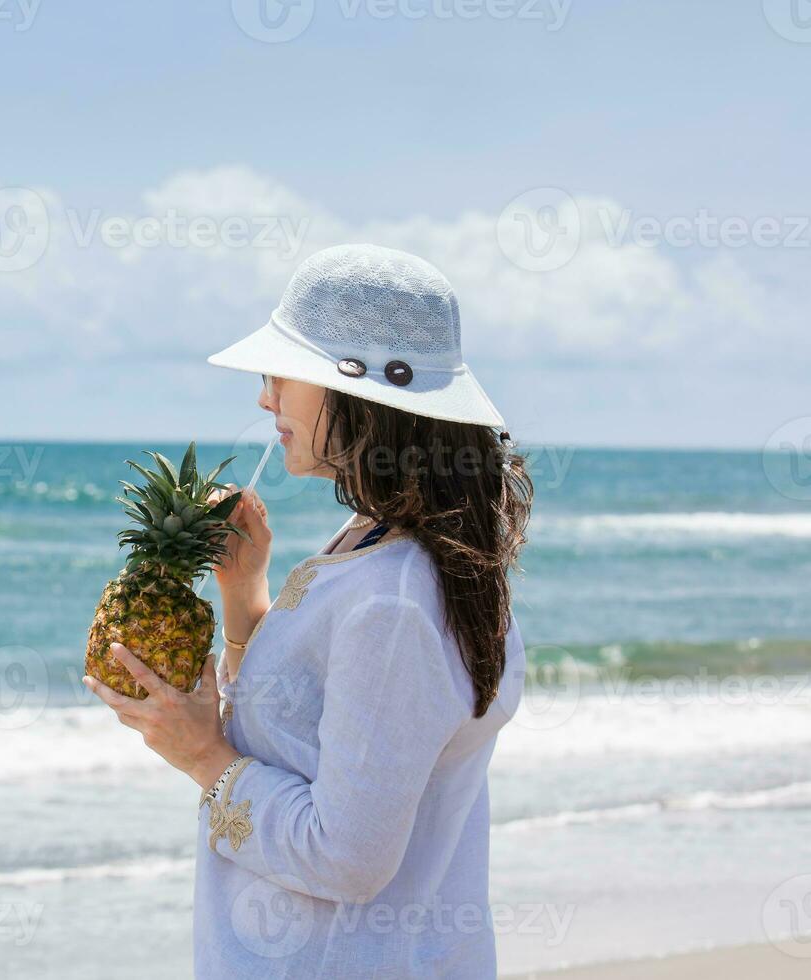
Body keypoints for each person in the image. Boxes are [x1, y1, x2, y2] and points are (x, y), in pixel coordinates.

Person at [84, 243, 534, 978]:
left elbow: (347, 857)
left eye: (280, 375)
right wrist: (244, 594)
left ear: (353, 391)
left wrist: (201, 754)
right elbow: (316, 726)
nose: (265, 399)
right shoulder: (388, 547)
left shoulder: (393, 601)